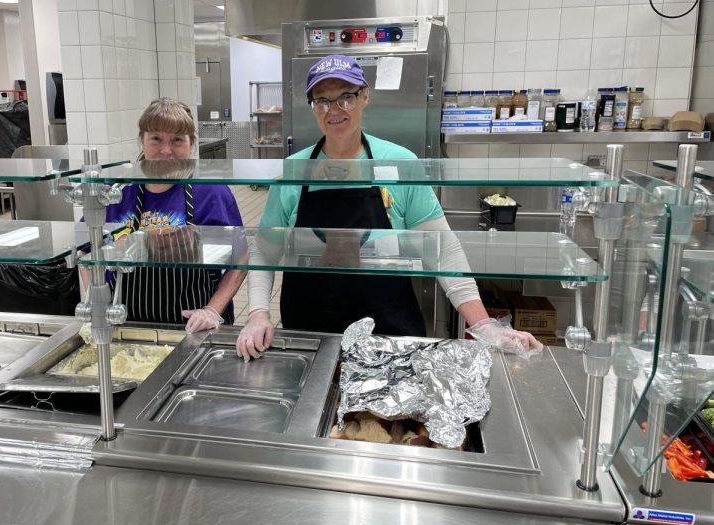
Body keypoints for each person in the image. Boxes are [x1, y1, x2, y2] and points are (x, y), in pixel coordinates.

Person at [236, 55, 542, 359]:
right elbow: (265, 251)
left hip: (388, 335)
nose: (334, 109)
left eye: (346, 97)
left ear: (365, 97)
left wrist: (484, 325)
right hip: (310, 334)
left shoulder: (400, 163)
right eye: (323, 100)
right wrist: (258, 313)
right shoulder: (294, 170)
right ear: (313, 107)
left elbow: (442, 249)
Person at [96, 98, 246, 333]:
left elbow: (242, 258)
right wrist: (95, 301)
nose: (166, 151)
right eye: (156, 138)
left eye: (177, 140)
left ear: (192, 144)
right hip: (125, 325)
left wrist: (212, 310)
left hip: (195, 326)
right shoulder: (116, 191)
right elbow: (86, 249)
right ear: (142, 140)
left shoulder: (212, 191)